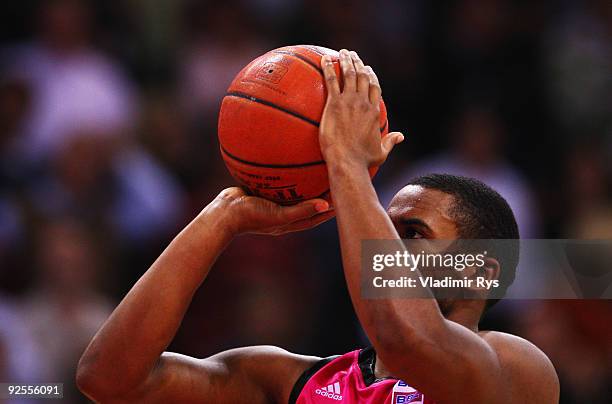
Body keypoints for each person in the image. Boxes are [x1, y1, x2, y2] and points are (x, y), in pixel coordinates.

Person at [76, 50, 559, 403]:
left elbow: (409, 340)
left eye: (411, 233)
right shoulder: (289, 379)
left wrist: (345, 159)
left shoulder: (516, 369)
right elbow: (108, 378)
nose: (382, 246)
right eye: (383, 231)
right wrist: (221, 218)